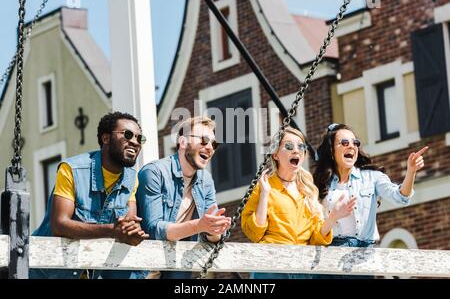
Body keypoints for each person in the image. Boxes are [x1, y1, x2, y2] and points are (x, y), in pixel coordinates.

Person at [31, 112, 149, 279]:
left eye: (140, 138)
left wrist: (131, 233)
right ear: (106, 138)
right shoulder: (71, 169)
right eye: (127, 135)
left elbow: (128, 225)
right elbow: (60, 225)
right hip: (47, 272)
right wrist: (112, 231)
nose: (135, 142)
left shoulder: (132, 178)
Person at [313, 123, 427, 278]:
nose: (351, 147)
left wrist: (411, 172)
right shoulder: (320, 183)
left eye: (355, 143)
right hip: (327, 256)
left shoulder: (371, 177)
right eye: (344, 143)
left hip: (360, 256)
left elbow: (400, 197)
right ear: (332, 151)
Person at [241, 127, 356, 279]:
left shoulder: (308, 190)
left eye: (301, 146)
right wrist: (264, 195)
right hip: (271, 269)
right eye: (289, 146)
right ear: (275, 154)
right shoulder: (263, 187)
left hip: (303, 269)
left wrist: (333, 217)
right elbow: (255, 233)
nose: (296, 150)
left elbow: (316, 238)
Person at [136, 116, 231, 279]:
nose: (209, 147)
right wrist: (199, 225)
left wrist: (215, 230)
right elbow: (154, 229)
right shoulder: (154, 172)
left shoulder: (206, 180)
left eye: (214, 144)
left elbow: (210, 236)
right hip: (143, 267)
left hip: (178, 268)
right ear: (182, 142)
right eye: (204, 140)